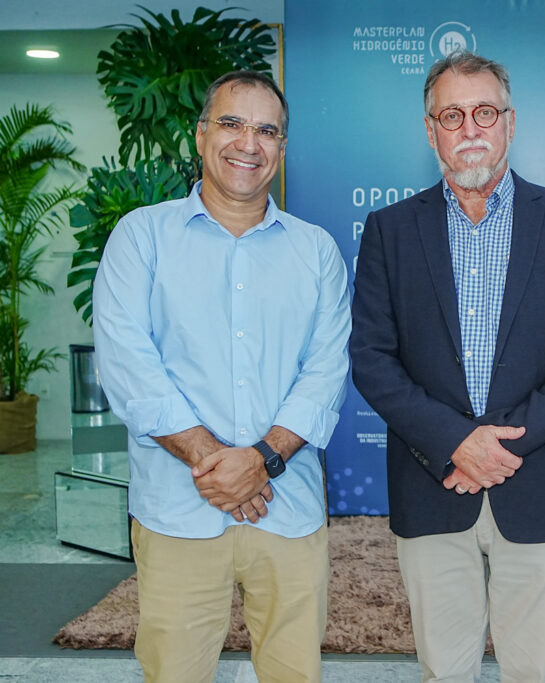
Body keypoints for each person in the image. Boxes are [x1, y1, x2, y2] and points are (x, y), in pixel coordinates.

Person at [350, 51, 545, 682]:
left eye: (485, 112)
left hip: (542, 484)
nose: (470, 128)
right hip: (432, 484)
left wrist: (496, 447)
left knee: (534, 672)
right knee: (445, 670)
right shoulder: (388, 230)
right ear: (431, 129)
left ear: (510, 122)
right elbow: (372, 359)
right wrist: (456, 444)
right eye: (452, 115)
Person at [93, 70, 351, 682]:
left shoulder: (316, 251)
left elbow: (326, 370)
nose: (248, 143)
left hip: (287, 510)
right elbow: (130, 366)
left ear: (282, 149)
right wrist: (216, 462)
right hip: (178, 509)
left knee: (295, 672)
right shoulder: (141, 237)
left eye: (267, 130)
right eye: (232, 123)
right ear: (202, 134)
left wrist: (262, 458)